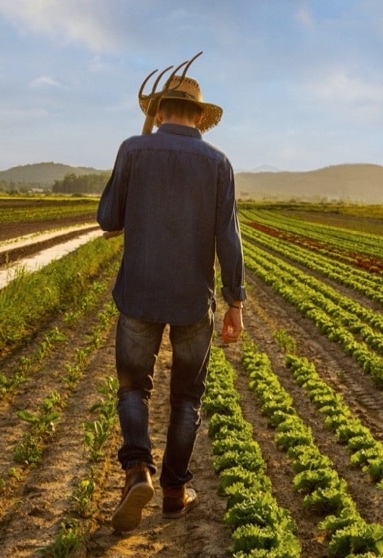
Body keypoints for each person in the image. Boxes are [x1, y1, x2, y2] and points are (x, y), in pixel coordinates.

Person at [97, 69, 245, 532]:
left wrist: (132, 162)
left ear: (158, 112)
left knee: (132, 388)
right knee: (186, 398)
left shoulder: (132, 149)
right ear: (200, 116)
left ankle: (137, 470)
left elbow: (108, 220)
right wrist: (235, 302)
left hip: (138, 293)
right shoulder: (218, 162)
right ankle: (175, 491)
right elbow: (229, 239)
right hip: (191, 301)